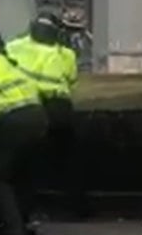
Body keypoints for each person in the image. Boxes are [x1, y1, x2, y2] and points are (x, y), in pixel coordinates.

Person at [0, 28, 47, 235]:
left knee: (0, 177)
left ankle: (13, 229)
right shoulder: (14, 66)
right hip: (38, 116)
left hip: (13, 120)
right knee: (23, 174)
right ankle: (21, 221)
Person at [6, 14, 84, 219]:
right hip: (57, 107)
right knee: (67, 159)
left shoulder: (14, 46)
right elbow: (72, 78)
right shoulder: (65, 54)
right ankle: (75, 207)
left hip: (24, 105)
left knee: (25, 161)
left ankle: (24, 210)